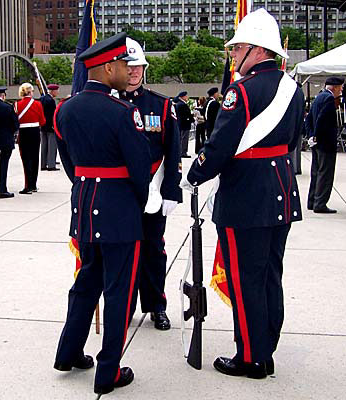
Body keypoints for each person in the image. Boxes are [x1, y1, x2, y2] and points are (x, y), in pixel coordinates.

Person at [180, 8, 304, 379]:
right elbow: (294, 140)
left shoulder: (242, 92)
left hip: (246, 195)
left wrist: (194, 173)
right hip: (280, 188)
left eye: (237, 49)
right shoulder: (291, 88)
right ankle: (265, 348)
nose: (232, 56)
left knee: (245, 278)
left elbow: (219, 147)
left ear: (256, 50)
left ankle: (251, 357)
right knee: (269, 275)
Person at [53, 32, 151, 395]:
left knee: (86, 282)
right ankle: (108, 370)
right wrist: (138, 201)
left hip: (84, 204)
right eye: (124, 64)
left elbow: (69, 163)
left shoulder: (66, 109)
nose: (128, 70)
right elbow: (140, 169)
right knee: (119, 291)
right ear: (108, 66)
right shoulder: (123, 112)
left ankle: (69, 351)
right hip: (118, 209)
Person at [119, 37, 181, 331]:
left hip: (153, 194)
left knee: (154, 252)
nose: (134, 72)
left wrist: (171, 190)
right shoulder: (110, 102)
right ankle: (124, 306)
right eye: (129, 66)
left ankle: (156, 306)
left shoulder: (161, 104)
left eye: (138, 66)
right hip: (120, 194)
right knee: (122, 253)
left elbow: (173, 152)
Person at [306, 76, 344, 214]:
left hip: (317, 142)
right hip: (325, 142)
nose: (341, 91)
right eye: (340, 88)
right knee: (325, 174)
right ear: (334, 88)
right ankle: (320, 203)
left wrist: (311, 136)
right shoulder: (328, 99)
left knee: (316, 172)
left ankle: (312, 201)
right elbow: (321, 120)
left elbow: (309, 118)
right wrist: (316, 135)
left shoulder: (319, 97)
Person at [15, 83, 46, 194]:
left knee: (26, 158)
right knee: (34, 158)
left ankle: (27, 185)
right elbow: (42, 121)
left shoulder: (17, 104)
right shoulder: (37, 104)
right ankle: (33, 184)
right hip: (35, 132)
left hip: (23, 132)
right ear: (30, 91)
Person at [40, 83, 60, 171]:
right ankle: (51, 164)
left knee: (44, 146)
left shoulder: (42, 99)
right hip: (50, 126)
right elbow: (52, 115)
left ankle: (43, 164)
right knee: (52, 146)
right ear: (53, 91)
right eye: (57, 90)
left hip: (43, 126)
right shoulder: (51, 101)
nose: (58, 92)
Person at [174, 90, 194, 158]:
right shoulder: (182, 104)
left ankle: (181, 152)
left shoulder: (178, 104)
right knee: (184, 139)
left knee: (182, 138)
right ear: (182, 97)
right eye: (186, 96)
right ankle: (183, 152)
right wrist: (192, 119)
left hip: (181, 124)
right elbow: (186, 115)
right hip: (185, 124)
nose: (187, 97)